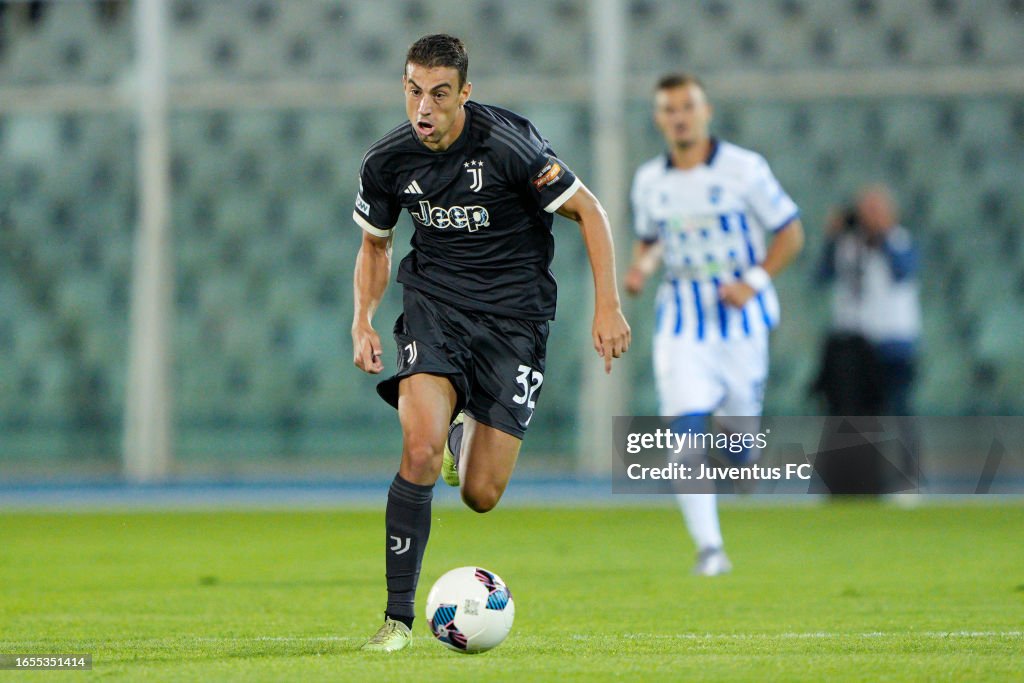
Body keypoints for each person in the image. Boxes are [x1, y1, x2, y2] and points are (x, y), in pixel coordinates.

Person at [352, 34, 631, 651]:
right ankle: (398, 618)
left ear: (465, 94)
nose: (423, 107)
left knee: (480, 494)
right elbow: (376, 244)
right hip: (436, 312)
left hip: (514, 324)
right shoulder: (388, 161)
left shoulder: (510, 146)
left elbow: (591, 211)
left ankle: (463, 431)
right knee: (419, 450)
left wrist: (607, 306)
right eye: (413, 91)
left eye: (439, 94)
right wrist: (364, 318)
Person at [624, 73, 804, 576]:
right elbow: (652, 237)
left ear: (706, 112)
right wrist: (641, 268)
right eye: (669, 109)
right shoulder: (649, 181)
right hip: (681, 321)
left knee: (737, 439)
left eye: (687, 106)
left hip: (739, 319)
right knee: (684, 428)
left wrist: (753, 280)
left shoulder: (745, 169)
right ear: (659, 119)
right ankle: (710, 549)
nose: (679, 116)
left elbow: (790, 233)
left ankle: (740, 456)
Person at [817, 185, 921, 417]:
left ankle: (906, 454)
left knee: (897, 408)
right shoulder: (846, 243)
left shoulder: (899, 239)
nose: (869, 217)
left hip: (892, 340)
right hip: (854, 341)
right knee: (853, 411)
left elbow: (903, 271)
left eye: (876, 210)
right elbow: (822, 275)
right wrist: (831, 237)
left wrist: (882, 234)